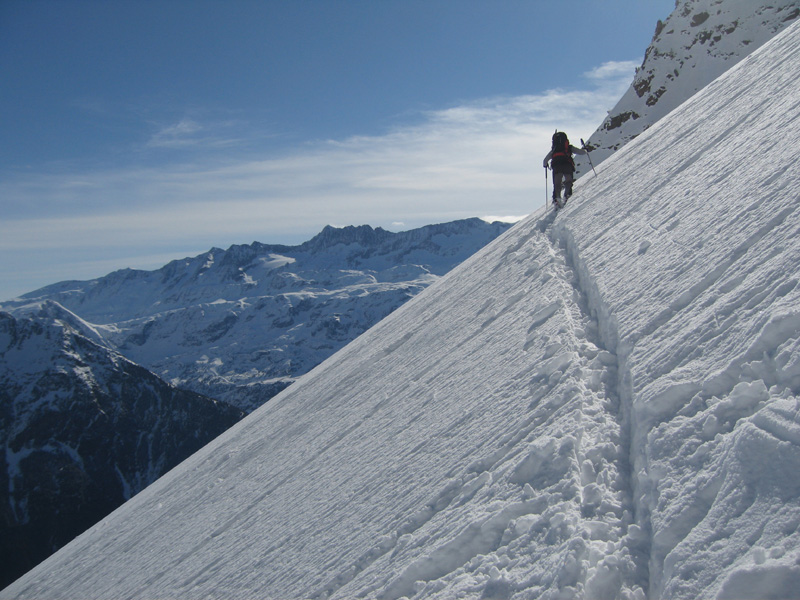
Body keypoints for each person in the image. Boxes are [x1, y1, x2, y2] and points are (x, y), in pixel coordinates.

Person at [543, 131, 586, 207]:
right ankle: (567, 195)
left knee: (557, 183)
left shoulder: (554, 150)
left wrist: (545, 165)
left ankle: (557, 199)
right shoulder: (569, 147)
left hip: (556, 166)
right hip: (567, 165)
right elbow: (580, 152)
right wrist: (585, 150)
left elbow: (545, 161)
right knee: (568, 181)